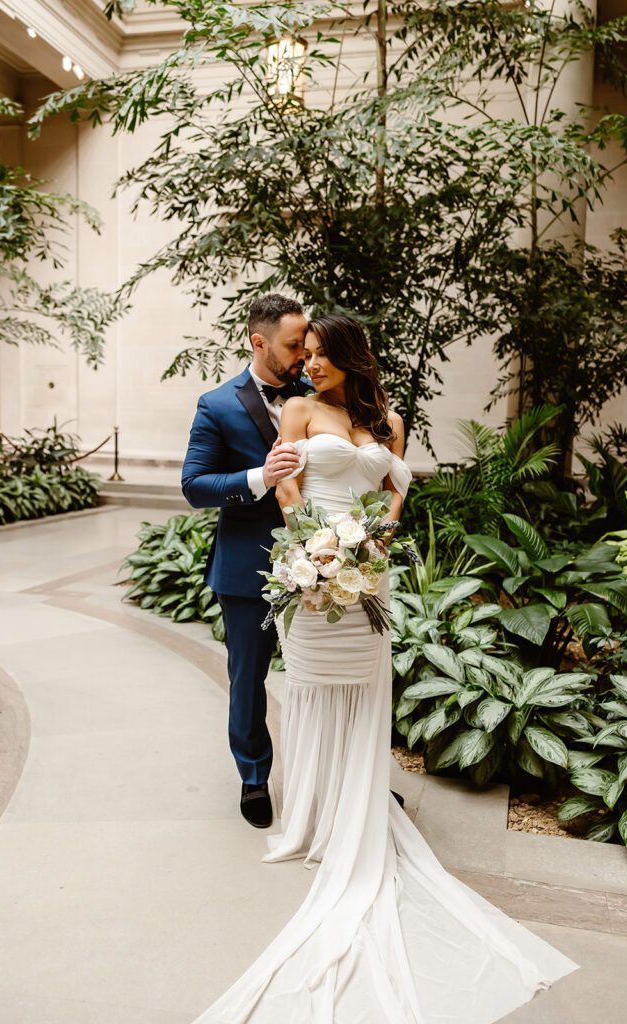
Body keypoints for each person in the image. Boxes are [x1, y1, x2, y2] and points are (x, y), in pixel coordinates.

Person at [190, 314, 577, 1023]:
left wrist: (372, 543)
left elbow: (396, 491)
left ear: (347, 358)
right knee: (306, 691)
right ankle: (307, 809)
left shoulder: (390, 421)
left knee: (367, 689)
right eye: (301, 355)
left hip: (369, 573)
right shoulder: (298, 410)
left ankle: (357, 804)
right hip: (312, 569)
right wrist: (315, 551)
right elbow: (285, 489)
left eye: (318, 357)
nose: (308, 366)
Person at [181, 293, 313, 829]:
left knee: (324, 677)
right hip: (247, 567)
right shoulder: (217, 405)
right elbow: (194, 486)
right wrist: (260, 477)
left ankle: (334, 779)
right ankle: (254, 778)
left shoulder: (320, 393)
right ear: (259, 343)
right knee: (248, 678)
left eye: (306, 342)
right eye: (293, 344)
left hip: (323, 563)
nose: (305, 353)